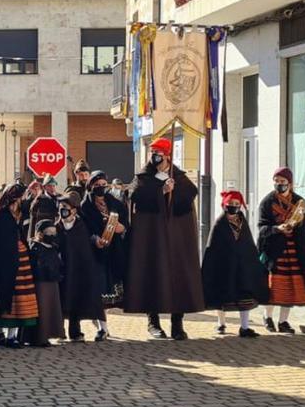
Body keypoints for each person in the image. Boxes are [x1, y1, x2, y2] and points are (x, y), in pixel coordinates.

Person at [124, 138, 206, 339]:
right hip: (152, 237)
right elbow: (134, 194)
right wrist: (160, 191)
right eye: (152, 152)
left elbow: (190, 195)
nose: (154, 156)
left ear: (167, 155)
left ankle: (177, 324)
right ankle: (153, 322)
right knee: (152, 274)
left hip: (175, 238)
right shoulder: (143, 176)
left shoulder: (178, 176)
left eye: (158, 152)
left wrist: (174, 191)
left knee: (178, 275)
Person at [256, 168, 305, 334]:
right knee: (272, 288)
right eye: (276, 181)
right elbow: (261, 228)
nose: (279, 184)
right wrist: (277, 228)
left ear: (289, 183)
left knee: (291, 287)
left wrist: (298, 226)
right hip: (275, 251)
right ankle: (267, 317)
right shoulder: (267, 202)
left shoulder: (300, 201)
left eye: (282, 181)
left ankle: (283, 321)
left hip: (295, 250)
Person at [202, 190, 268, 338]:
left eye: (237, 204)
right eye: (231, 204)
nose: (234, 206)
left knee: (245, 294)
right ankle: (221, 322)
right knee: (222, 295)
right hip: (224, 266)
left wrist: (252, 261)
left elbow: (248, 243)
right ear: (224, 205)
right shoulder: (219, 224)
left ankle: (244, 327)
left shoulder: (243, 223)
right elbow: (213, 248)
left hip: (242, 267)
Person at [0, 183, 38, 348]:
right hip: (7, 261)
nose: (25, 198)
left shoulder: (20, 213)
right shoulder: (2, 215)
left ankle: (12, 335)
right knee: (6, 295)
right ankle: (0, 332)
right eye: (23, 195)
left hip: (21, 260)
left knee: (19, 298)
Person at [57, 191, 107, 342]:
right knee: (61, 298)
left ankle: (76, 331)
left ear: (74, 209)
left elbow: (84, 247)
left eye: (65, 206)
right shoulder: (57, 226)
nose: (62, 209)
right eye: (61, 206)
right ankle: (59, 330)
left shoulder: (81, 226)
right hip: (62, 270)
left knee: (76, 298)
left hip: (79, 270)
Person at [80, 170, 128, 313]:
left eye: (103, 184)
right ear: (91, 186)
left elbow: (126, 223)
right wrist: (94, 239)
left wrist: (122, 228)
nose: (101, 187)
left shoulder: (116, 203)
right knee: (98, 292)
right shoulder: (85, 206)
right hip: (96, 253)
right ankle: (101, 323)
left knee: (115, 285)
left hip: (114, 249)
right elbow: (84, 228)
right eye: (97, 184)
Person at [29, 219, 64, 347]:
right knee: (42, 309)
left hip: (52, 283)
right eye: (48, 232)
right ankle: (39, 337)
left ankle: (48, 334)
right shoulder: (35, 247)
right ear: (41, 233)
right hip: (41, 283)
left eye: (53, 232)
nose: (52, 235)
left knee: (51, 309)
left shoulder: (54, 247)